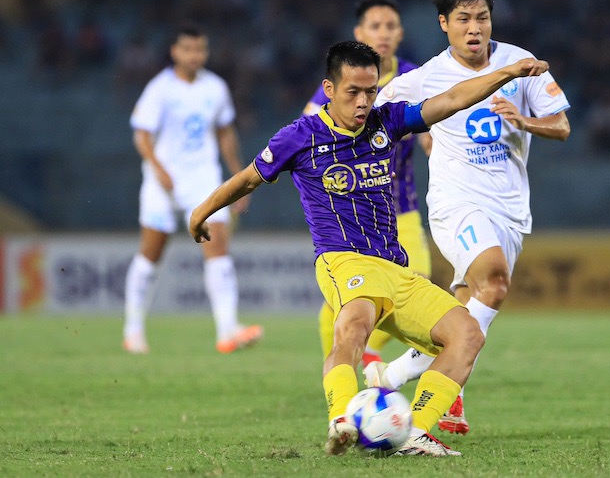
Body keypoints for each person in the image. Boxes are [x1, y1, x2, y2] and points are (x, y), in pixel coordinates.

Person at [188, 41, 549, 456]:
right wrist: (202, 211)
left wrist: (506, 73)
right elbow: (250, 177)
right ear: (329, 88)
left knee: (467, 334)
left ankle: (414, 432)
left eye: (371, 91)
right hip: (342, 260)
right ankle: (342, 417)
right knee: (354, 325)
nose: (363, 102)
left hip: (396, 269)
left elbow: (449, 100)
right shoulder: (300, 137)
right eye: (353, 92)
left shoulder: (387, 122)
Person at [366, 0, 571, 436]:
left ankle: (393, 377)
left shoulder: (522, 64)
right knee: (495, 282)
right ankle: (414, 411)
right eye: (462, 19)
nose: (474, 28)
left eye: (481, 17)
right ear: (443, 23)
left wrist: (524, 121)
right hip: (455, 203)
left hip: (511, 211)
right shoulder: (427, 77)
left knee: (468, 305)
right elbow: (371, 111)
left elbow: (561, 126)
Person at [302, 0, 432, 368]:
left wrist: (431, 144)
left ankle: (367, 351)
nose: (384, 33)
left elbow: (430, 128)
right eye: (375, 26)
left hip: (398, 208)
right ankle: (341, 369)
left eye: (390, 26)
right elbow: (307, 130)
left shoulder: (415, 78)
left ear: (401, 33)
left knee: (415, 280)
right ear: (360, 33)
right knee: (340, 301)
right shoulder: (343, 82)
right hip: (347, 212)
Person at [123, 23, 263, 355]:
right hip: (164, 181)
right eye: (188, 49)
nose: (195, 55)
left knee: (218, 250)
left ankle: (227, 330)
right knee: (151, 254)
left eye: (200, 49)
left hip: (202, 179)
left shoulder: (215, 87)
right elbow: (141, 135)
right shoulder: (159, 89)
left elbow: (225, 134)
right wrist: (158, 169)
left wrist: (238, 179)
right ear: (175, 51)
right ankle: (133, 329)